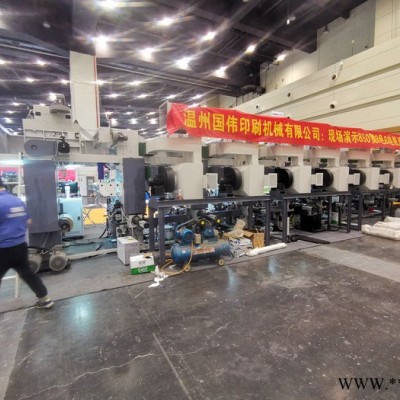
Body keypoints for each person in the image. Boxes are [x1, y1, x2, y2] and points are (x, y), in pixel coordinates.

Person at [0, 177, 53, 308]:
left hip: (3, 248)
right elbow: (28, 221)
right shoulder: (17, 200)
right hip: (20, 246)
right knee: (28, 274)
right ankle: (45, 299)